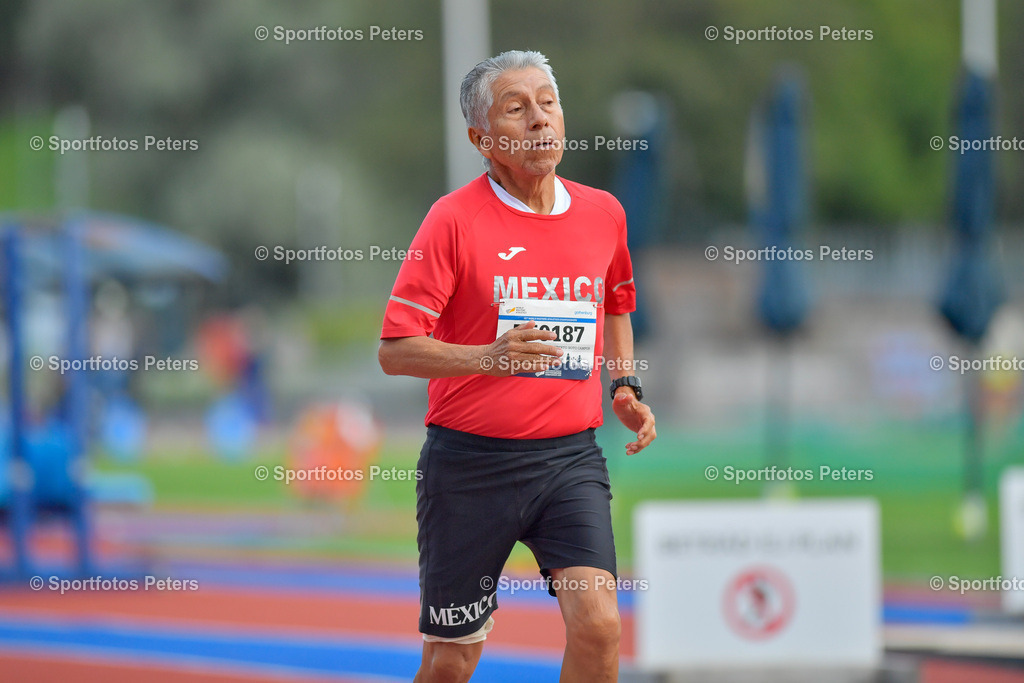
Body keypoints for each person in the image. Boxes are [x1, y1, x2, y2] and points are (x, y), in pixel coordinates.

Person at [378, 49, 656, 683]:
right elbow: (394, 350)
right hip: (470, 466)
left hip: (568, 461)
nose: (539, 120)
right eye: (516, 108)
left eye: (548, 103)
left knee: (601, 624)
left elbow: (616, 302)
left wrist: (624, 382)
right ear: (482, 139)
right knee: (452, 660)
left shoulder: (603, 213)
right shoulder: (453, 219)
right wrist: (488, 358)